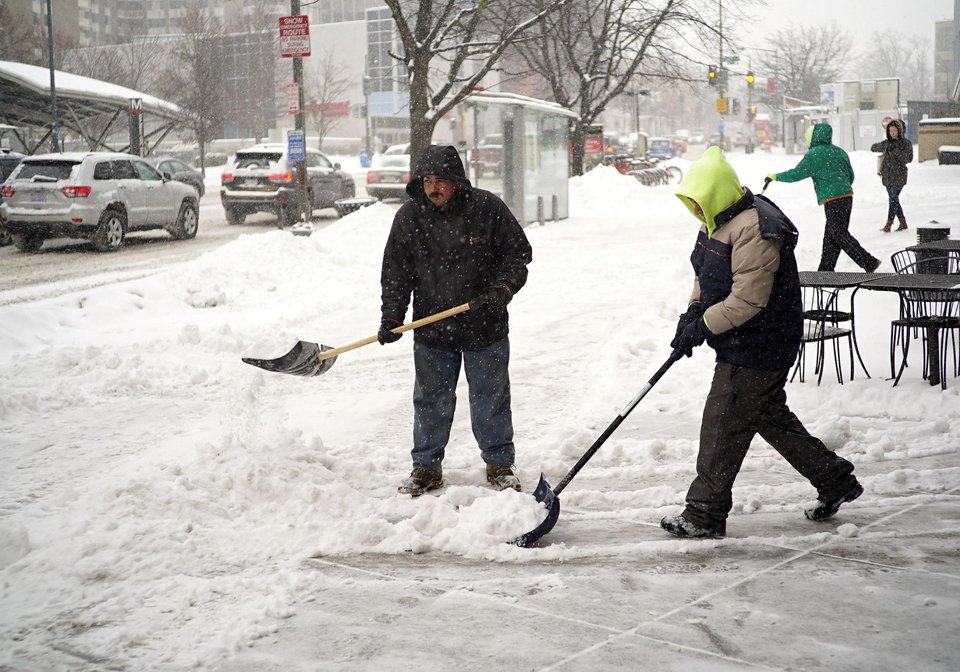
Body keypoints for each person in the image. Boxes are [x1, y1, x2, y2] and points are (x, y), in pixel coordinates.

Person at [662, 146, 863, 538]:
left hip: (759, 345)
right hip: (743, 339)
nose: (694, 211)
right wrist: (693, 311)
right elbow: (703, 275)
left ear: (716, 193)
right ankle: (835, 480)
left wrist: (703, 325)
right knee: (768, 417)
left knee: (722, 423)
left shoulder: (756, 228)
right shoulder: (717, 220)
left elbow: (748, 300)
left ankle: (704, 513)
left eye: (698, 202)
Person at [379, 144, 533, 496]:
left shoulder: (487, 209)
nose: (434, 188)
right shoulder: (409, 218)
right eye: (427, 180)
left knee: (490, 397)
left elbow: (518, 257)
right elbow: (396, 273)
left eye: (441, 181)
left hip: (485, 325)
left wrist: (502, 290)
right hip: (432, 327)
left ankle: (499, 464)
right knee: (431, 400)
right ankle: (426, 468)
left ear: (457, 182)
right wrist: (392, 315)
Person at [767, 123, 880, 273]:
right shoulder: (839, 152)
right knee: (832, 235)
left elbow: (796, 174)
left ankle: (868, 261)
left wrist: (775, 176)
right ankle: (825, 269)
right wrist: (840, 186)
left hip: (833, 199)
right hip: (846, 196)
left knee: (839, 234)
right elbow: (850, 175)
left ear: (812, 137)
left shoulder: (814, 154)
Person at [871, 119, 913, 232]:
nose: (892, 133)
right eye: (890, 131)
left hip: (899, 176)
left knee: (893, 199)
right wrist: (883, 146)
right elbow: (873, 148)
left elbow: (908, 158)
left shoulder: (905, 143)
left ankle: (889, 224)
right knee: (894, 199)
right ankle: (903, 222)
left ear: (899, 131)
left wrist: (895, 151)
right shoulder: (887, 143)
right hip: (887, 176)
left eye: (894, 131)